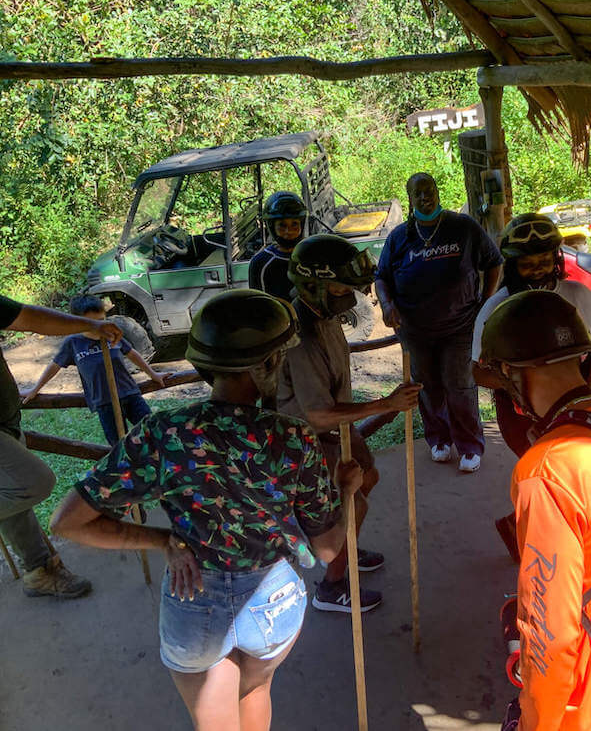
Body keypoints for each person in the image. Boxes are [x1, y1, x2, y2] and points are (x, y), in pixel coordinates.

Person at [50, 289, 363, 731]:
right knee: (255, 691)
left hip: (194, 601)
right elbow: (329, 551)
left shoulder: (164, 432)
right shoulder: (294, 438)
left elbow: (67, 522)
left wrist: (162, 540)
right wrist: (347, 490)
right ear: (270, 363)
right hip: (272, 604)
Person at [479, 289, 591, 731]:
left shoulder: (546, 468)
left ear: (512, 372)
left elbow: (551, 629)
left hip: (585, 699)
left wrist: (537, 722)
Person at [0, 266, 112, 596]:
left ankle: (40, 571)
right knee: (30, 483)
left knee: (9, 494)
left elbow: (29, 317)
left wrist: (89, 325)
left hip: (1, 419)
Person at [278, 234, 421, 613]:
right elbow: (316, 414)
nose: (350, 295)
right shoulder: (302, 334)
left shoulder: (325, 315)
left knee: (368, 475)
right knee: (351, 504)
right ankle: (332, 586)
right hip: (310, 437)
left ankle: (345, 546)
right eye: (341, 286)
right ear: (314, 285)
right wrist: (386, 403)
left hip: (338, 426)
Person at [472, 213, 591, 561]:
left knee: (574, 471)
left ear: (557, 259)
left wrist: (585, 388)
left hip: (572, 402)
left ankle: (571, 537)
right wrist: (519, 392)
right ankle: (541, 545)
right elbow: (477, 371)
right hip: (519, 413)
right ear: (513, 266)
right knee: (541, 474)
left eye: (545, 262)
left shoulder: (577, 295)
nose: (537, 270)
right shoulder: (494, 308)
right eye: (527, 264)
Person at [375, 172, 502, 473]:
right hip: (415, 330)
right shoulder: (399, 237)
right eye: (417, 193)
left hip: (459, 326)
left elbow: (494, 261)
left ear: (437, 191)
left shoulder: (462, 227)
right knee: (428, 386)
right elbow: (381, 277)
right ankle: (439, 440)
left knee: (459, 385)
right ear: (410, 198)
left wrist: (485, 301)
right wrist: (387, 304)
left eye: (428, 190)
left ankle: (470, 446)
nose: (424, 197)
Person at [20, 294, 170, 445]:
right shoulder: (73, 343)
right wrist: (35, 388)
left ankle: (160, 464)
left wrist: (153, 374)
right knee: (120, 445)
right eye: (91, 323)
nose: (99, 326)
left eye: (101, 320)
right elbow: (54, 366)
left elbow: (132, 353)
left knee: (153, 432)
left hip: (130, 394)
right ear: (77, 322)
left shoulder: (113, 335)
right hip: (104, 402)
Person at [248, 191, 308, 301]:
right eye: (282, 225)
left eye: (294, 224)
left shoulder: (313, 256)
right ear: (272, 227)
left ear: (302, 224)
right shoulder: (261, 263)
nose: (288, 231)